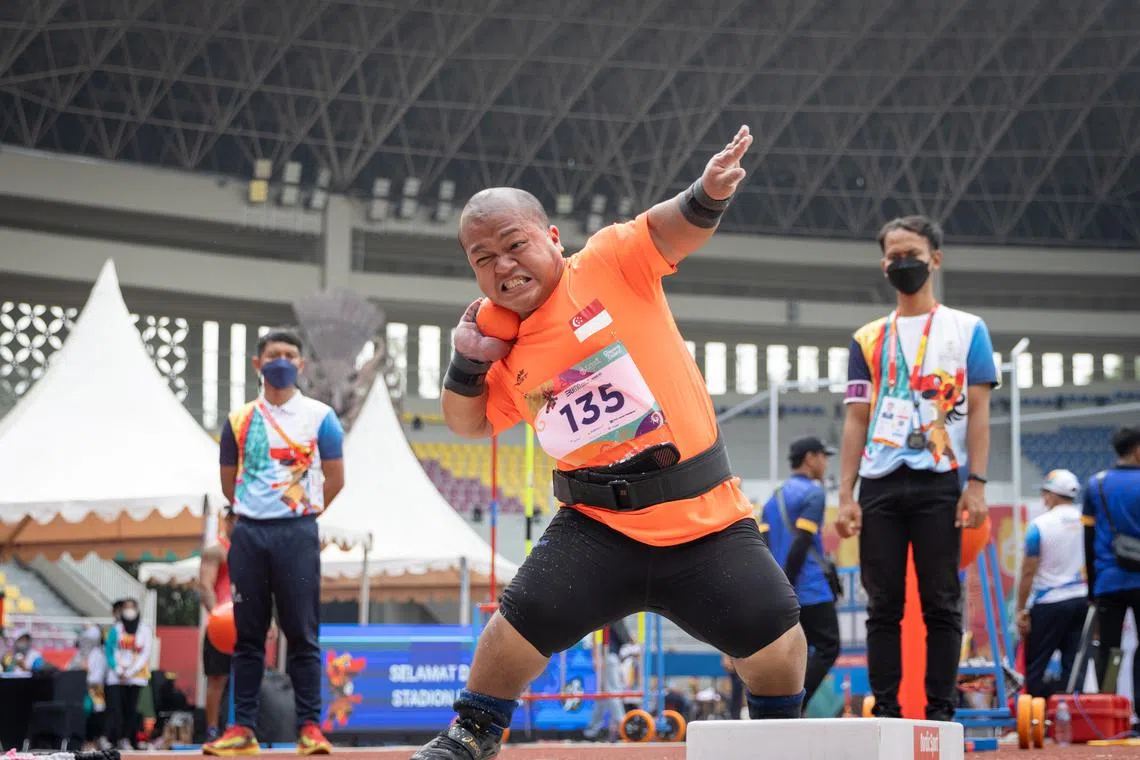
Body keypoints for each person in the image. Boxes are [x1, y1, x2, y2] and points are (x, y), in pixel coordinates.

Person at [413, 125, 807, 760]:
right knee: (514, 629)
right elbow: (469, 424)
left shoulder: (606, 262)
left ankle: (777, 742)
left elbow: (671, 227)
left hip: (702, 518)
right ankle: (474, 732)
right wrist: (468, 362)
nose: (502, 265)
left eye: (513, 245)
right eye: (481, 258)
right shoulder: (506, 347)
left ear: (551, 238)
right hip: (596, 525)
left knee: (778, 639)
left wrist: (707, 191)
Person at [836, 215, 998, 722]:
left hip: (939, 477)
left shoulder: (969, 329)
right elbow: (856, 417)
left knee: (942, 602)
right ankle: (884, 714)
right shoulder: (866, 338)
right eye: (893, 255)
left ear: (936, 259)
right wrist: (846, 493)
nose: (902, 263)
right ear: (883, 264)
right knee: (881, 605)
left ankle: (941, 714)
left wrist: (975, 484)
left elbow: (978, 411)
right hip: (880, 482)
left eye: (912, 253)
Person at [204, 329, 345, 757]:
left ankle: (310, 729)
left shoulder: (322, 417)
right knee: (247, 637)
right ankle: (241, 729)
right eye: (273, 355)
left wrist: (299, 514)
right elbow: (230, 483)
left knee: (302, 633)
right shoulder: (238, 420)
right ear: (257, 364)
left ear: (300, 365)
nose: (281, 361)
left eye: (289, 355)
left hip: (297, 531)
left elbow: (336, 479)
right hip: (248, 532)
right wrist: (255, 510)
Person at [759, 437, 842, 711]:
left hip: (781, 589)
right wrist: (789, 583)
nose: (826, 462)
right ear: (810, 458)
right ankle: (796, 705)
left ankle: (788, 706)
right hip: (809, 587)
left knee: (795, 653)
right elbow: (803, 541)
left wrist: (776, 587)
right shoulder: (814, 494)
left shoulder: (774, 499)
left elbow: (764, 546)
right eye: (823, 456)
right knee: (829, 645)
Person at [1082, 425, 1140, 728]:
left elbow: (1088, 539)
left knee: (1109, 647)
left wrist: (1093, 588)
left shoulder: (1096, 485)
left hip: (1108, 581)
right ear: (1137, 450)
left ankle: (1109, 716)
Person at [1014, 469, 1087, 699]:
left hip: (1049, 603)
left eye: (1046, 493)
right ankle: (1070, 716)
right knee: (1073, 667)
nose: (1044, 499)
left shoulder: (1040, 525)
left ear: (1054, 495)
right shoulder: (1086, 521)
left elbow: (1028, 572)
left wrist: (1021, 609)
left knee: (1035, 666)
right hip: (1080, 600)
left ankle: (1036, 718)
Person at [199, 505, 238, 742]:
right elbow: (205, 585)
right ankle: (212, 730)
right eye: (237, 521)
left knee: (247, 676)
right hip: (222, 624)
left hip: (246, 623)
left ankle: (242, 727)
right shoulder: (216, 550)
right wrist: (217, 617)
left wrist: (269, 620)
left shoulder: (250, 551)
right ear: (228, 520)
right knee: (217, 678)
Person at [104, 598, 153, 750]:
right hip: (116, 675)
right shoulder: (116, 629)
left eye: (132, 607)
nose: (129, 610)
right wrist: (117, 669)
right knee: (115, 707)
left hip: (136, 675)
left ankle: (126, 738)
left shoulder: (145, 630)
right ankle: (111, 737)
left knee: (130, 708)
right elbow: (109, 650)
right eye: (126, 607)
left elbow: (146, 653)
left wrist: (132, 670)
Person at [582, 619, 635, 742]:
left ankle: (592, 730)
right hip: (608, 656)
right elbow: (597, 636)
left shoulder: (612, 617)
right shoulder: (613, 616)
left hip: (609, 656)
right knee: (612, 692)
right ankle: (623, 726)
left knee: (603, 695)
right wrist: (595, 656)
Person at [69, 624, 109, 750]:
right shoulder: (79, 654)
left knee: (96, 713)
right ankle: (81, 740)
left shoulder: (99, 654)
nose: (85, 643)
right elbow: (70, 669)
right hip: (79, 689)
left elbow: (97, 675)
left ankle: (93, 740)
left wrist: (86, 672)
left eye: (88, 641)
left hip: (95, 689)